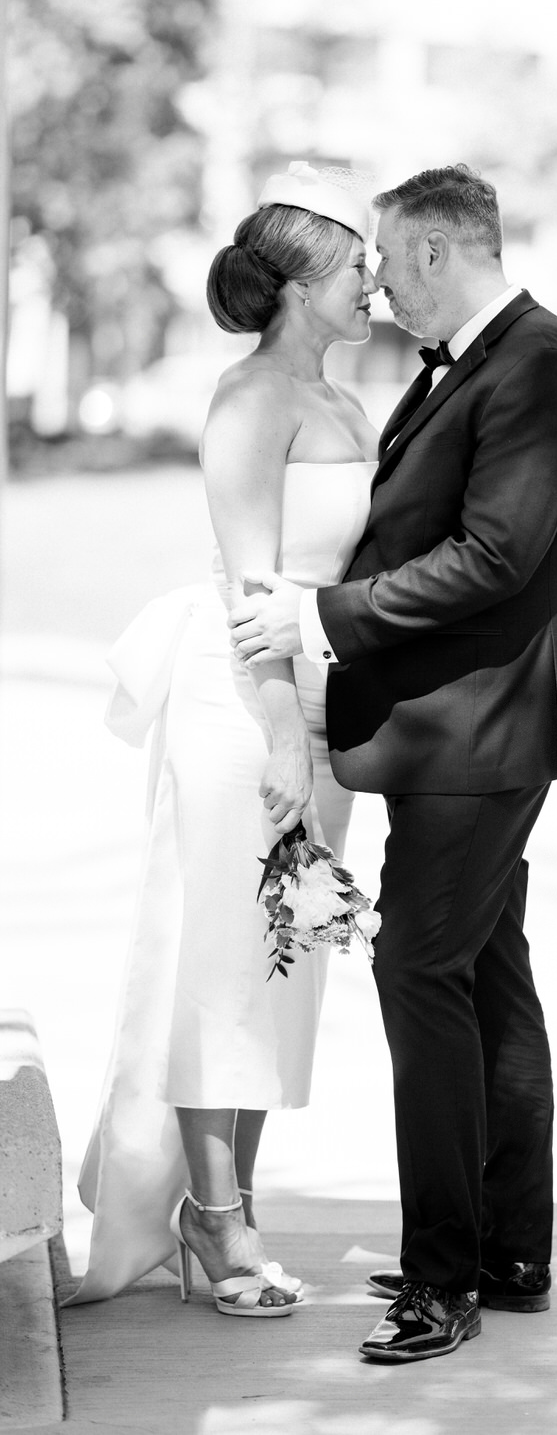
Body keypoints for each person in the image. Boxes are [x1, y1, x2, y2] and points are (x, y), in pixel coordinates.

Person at [229, 163, 557, 1359]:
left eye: (389, 262)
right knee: (488, 979)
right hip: (460, 729)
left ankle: (444, 1282)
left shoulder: (538, 365)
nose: (381, 287)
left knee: (418, 973)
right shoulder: (487, 363)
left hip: (484, 732)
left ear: (440, 252)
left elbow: (494, 557)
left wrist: (318, 619)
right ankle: (507, 1253)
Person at [65, 162, 379, 1317]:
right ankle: (215, 1223)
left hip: (321, 703)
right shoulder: (253, 401)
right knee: (225, 963)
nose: (374, 284)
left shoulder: (344, 401)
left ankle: (231, 1203)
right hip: (246, 702)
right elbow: (258, 585)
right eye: (358, 266)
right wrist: (288, 735)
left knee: (283, 962)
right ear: (301, 279)